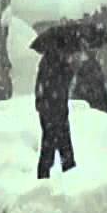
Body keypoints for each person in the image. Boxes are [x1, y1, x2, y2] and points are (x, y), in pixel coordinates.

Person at [35, 49, 78, 178]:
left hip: (52, 110)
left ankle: (47, 174)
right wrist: (70, 68)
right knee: (60, 145)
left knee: (52, 145)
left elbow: (43, 87)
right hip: (54, 110)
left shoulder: (48, 63)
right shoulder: (55, 64)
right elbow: (61, 85)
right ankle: (67, 173)